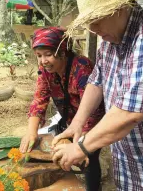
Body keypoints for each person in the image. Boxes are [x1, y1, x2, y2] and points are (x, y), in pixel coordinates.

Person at [52, 0, 143, 190]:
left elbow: (131, 112)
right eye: (88, 23)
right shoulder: (110, 39)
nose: (93, 30)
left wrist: (81, 148)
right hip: (126, 155)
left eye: (96, 21)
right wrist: (77, 124)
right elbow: (96, 82)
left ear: (120, 9)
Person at [19, 27, 105, 191]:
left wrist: (82, 144)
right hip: (68, 121)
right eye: (39, 56)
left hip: (90, 124)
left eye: (48, 54)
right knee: (59, 153)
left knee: (89, 159)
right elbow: (40, 98)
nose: (43, 61)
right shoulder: (46, 71)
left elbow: (94, 113)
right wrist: (31, 131)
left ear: (62, 51)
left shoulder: (82, 68)